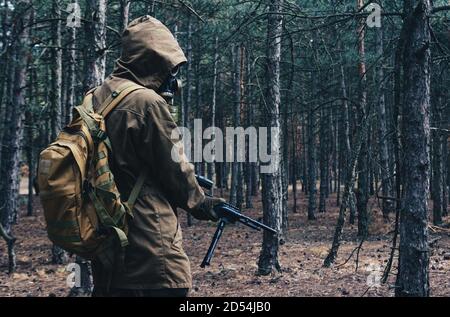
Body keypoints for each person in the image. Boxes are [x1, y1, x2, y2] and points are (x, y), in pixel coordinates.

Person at [90, 16, 224, 297]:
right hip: (151, 248)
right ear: (153, 61)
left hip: (107, 246)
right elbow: (175, 169)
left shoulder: (95, 97)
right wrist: (203, 204)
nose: (172, 76)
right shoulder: (147, 103)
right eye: (169, 66)